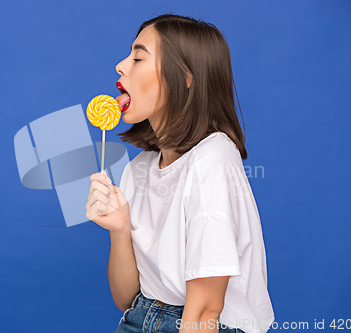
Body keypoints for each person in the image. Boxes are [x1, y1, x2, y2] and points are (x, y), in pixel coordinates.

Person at [85, 14, 275, 333]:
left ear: (184, 77)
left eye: (138, 57)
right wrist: (119, 230)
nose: (121, 65)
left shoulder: (212, 157)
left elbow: (204, 312)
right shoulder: (139, 168)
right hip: (138, 319)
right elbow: (129, 299)